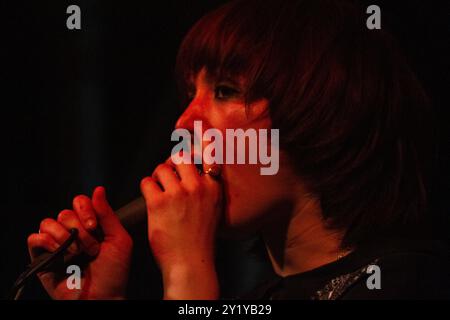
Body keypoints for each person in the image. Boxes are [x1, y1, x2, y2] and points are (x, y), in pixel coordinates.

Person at [27, 0, 450, 300]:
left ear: (327, 113)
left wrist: (186, 271)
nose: (185, 123)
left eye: (225, 91)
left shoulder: (411, 282)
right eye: (190, 94)